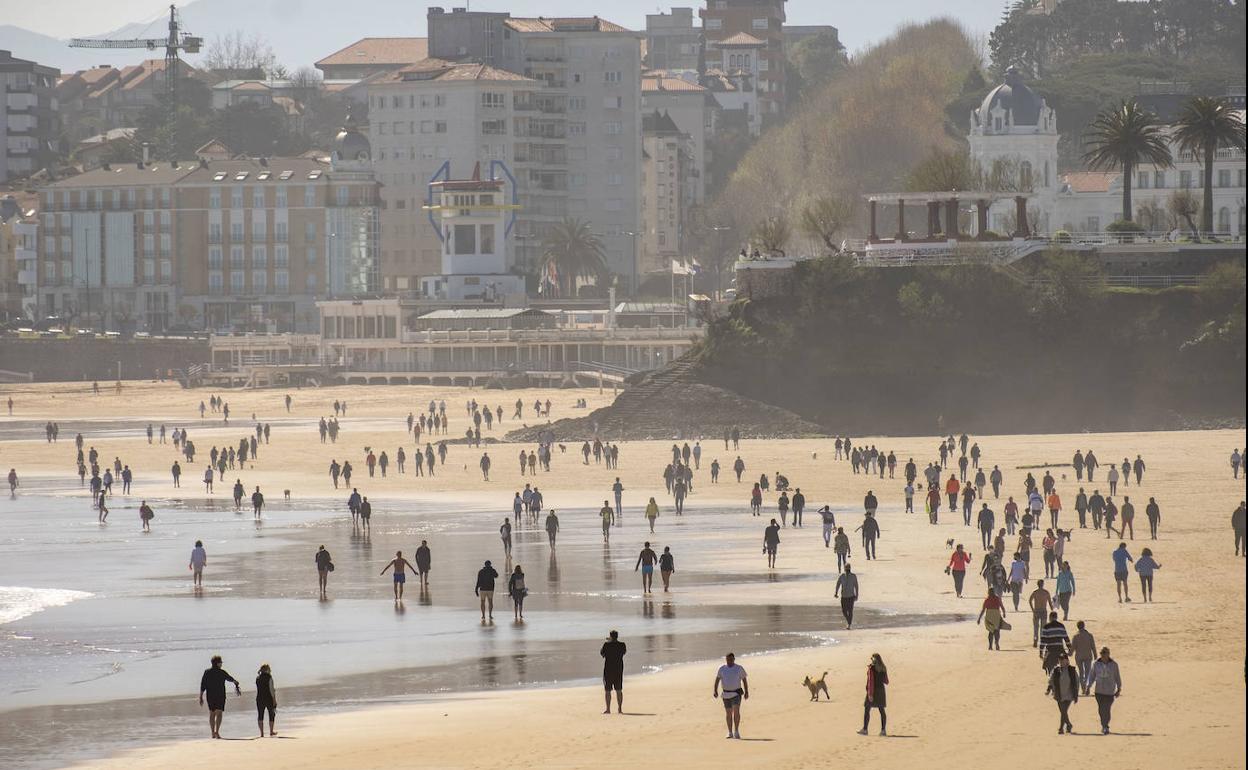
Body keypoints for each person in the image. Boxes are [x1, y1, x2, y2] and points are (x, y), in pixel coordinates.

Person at [199, 655, 241, 739]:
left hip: (210, 696)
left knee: (212, 713)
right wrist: (235, 682)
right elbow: (229, 678)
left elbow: (203, 684)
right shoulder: (221, 672)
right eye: (221, 662)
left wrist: (200, 696)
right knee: (219, 714)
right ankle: (217, 732)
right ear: (218, 663)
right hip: (220, 695)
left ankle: (212, 733)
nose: (221, 664)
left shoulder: (207, 672)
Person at [713, 653, 749, 739]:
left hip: (736, 693)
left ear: (734, 659)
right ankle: (729, 732)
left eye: (731, 659)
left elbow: (744, 680)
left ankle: (736, 731)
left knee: (736, 712)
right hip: (725, 694)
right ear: (726, 659)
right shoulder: (722, 668)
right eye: (728, 659)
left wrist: (747, 691)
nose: (729, 661)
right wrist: (715, 690)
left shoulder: (739, 668)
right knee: (728, 713)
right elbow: (717, 679)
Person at [1087, 647, 1122, 734]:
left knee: (1106, 709)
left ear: (1108, 654)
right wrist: (1088, 686)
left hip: (1110, 691)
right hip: (1099, 691)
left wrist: (1119, 688)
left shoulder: (1114, 665)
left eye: (1105, 653)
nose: (1103, 655)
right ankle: (1104, 725)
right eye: (1102, 653)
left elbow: (1117, 676)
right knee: (1101, 710)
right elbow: (1092, 675)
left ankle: (1105, 726)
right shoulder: (1096, 664)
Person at [1046, 653, 1080, 734]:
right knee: (1063, 711)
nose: (1061, 662)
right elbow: (1051, 680)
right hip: (1059, 694)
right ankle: (1068, 725)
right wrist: (1048, 689)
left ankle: (1061, 728)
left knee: (1063, 711)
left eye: (1063, 660)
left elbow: (1077, 682)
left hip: (1069, 694)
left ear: (1067, 661)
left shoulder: (1072, 670)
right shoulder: (1056, 670)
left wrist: (1075, 693)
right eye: (1060, 660)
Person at [858, 654, 889, 736]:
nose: (871, 659)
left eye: (872, 658)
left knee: (867, 709)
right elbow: (886, 681)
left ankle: (865, 729)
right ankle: (883, 730)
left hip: (873, 691)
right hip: (881, 691)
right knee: (881, 710)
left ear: (874, 659)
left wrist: (870, 694)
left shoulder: (872, 668)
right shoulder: (883, 668)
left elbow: (871, 681)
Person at [601, 630, 627, 714]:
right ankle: (620, 709)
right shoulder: (622, 645)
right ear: (617, 636)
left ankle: (608, 709)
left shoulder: (606, 645)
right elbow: (624, 652)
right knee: (619, 690)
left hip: (608, 670)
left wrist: (608, 642)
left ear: (611, 636)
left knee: (607, 690)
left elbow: (602, 653)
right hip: (618, 669)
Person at [1071, 621, 1097, 694]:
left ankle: (1083, 687)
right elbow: (1093, 647)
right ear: (1084, 626)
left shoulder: (1075, 636)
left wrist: (1069, 653)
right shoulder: (1089, 635)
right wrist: (1095, 655)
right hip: (1088, 656)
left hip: (1079, 656)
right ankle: (1086, 686)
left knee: (1081, 672)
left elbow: (1073, 648)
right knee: (1087, 672)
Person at [1028, 579, 1054, 647]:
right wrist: (1052, 608)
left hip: (1036, 610)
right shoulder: (1046, 592)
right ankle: (1042, 640)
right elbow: (1050, 602)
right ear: (1043, 584)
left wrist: (1032, 609)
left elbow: (1030, 600)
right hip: (1043, 611)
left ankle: (1035, 639)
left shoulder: (1035, 592)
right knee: (1043, 627)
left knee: (1036, 627)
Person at [255, 663, 277, 737]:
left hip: (259, 698)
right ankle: (271, 731)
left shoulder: (257, 678)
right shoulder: (269, 677)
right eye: (269, 669)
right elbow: (271, 689)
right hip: (268, 698)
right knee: (271, 714)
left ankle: (262, 733)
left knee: (260, 715)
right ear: (267, 669)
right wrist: (274, 700)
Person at [834, 564, 859, 629]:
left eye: (848, 568)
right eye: (846, 568)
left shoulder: (853, 576)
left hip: (851, 596)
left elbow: (856, 586)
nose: (847, 569)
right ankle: (849, 621)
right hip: (844, 596)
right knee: (844, 611)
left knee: (850, 611)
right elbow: (838, 584)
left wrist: (856, 595)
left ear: (850, 568)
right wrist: (836, 593)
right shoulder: (842, 576)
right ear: (845, 569)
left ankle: (849, 624)